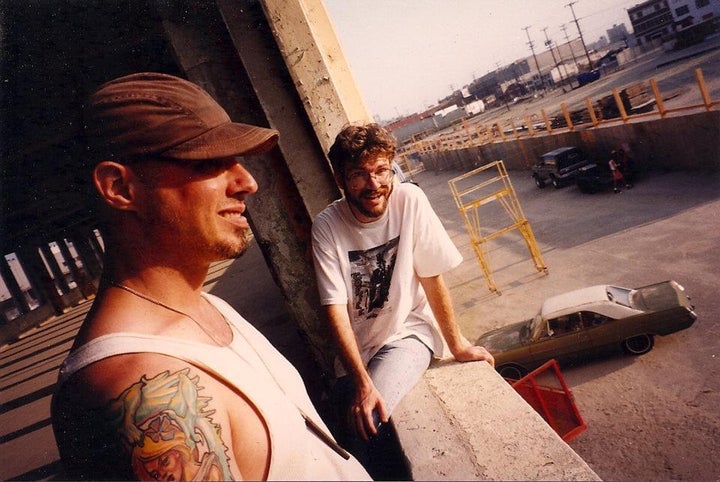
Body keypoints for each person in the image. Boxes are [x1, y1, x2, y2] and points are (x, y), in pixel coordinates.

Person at [50, 72, 371, 481]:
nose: (247, 182)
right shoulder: (136, 388)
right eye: (208, 163)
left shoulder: (208, 306)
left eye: (237, 160)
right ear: (120, 188)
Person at [310, 123, 495, 464]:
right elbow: (334, 309)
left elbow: (431, 276)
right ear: (340, 179)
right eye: (359, 175)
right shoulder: (326, 225)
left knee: (367, 424)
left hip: (406, 334)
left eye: (382, 171)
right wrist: (360, 380)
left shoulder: (410, 201)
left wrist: (458, 345)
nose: (374, 184)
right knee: (340, 435)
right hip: (355, 354)